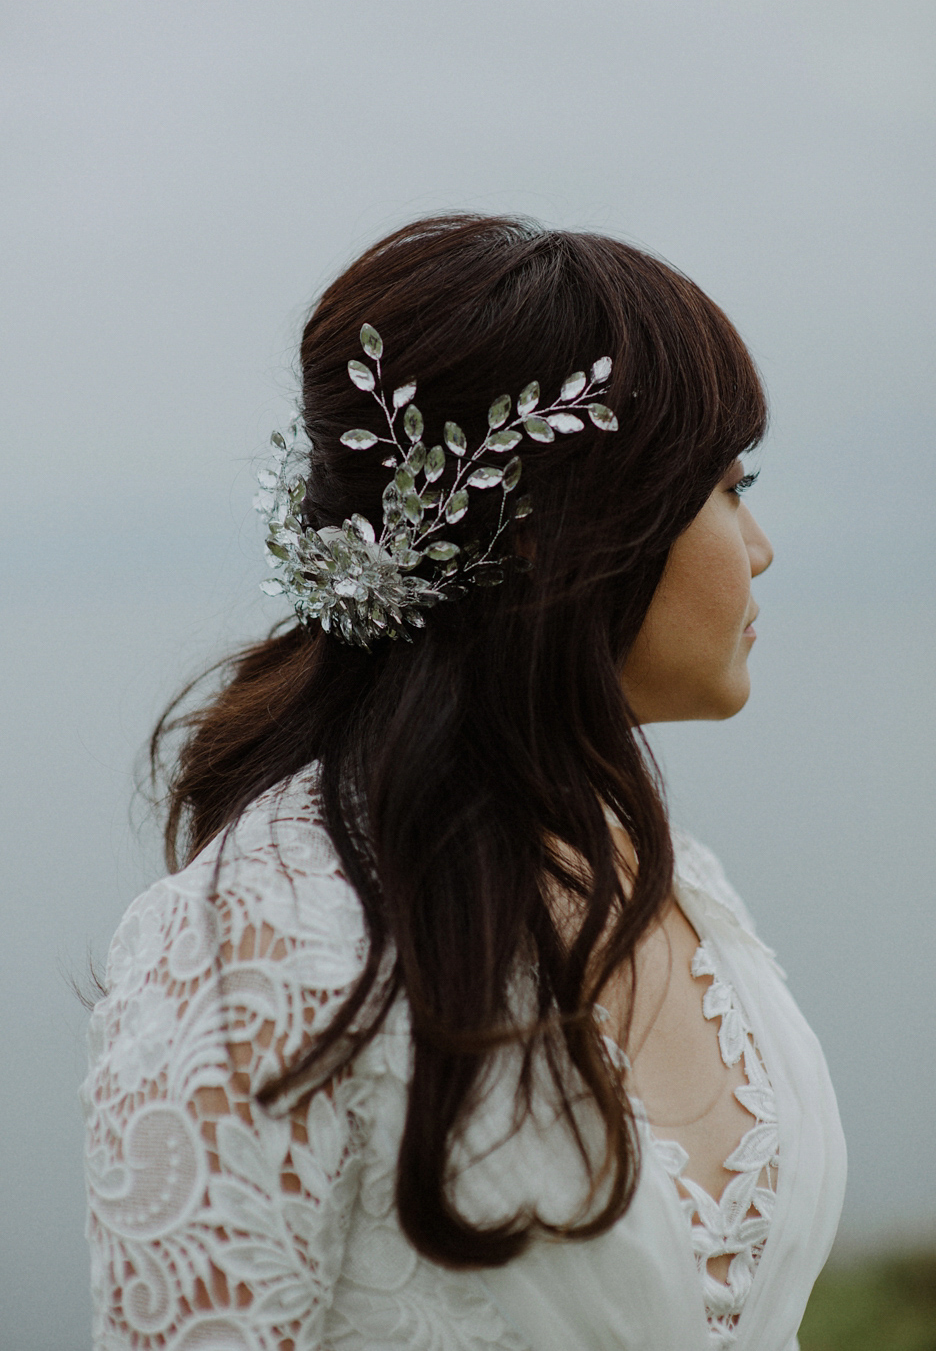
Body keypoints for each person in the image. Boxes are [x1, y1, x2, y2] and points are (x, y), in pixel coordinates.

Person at [81, 214, 846, 1351]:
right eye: (729, 486)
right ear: (557, 525)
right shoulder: (263, 937)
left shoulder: (669, 874)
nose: (762, 545)